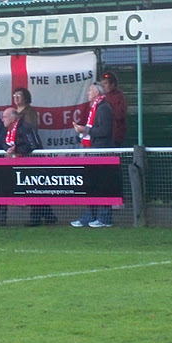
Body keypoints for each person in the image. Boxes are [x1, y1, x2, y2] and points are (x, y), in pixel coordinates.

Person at [71, 82, 114, 228]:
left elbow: (104, 131)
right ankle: (90, 216)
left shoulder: (103, 108)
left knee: (102, 185)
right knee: (93, 185)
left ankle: (104, 218)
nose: (88, 93)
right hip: (94, 151)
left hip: (102, 152)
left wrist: (85, 130)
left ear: (97, 92)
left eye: (90, 90)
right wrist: (82, 134)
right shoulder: (95, 108)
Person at [12, 87, 55, 225]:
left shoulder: (30, 112)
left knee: (34, 184)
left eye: (19, 95)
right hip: (20, 151)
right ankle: (48, 215)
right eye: (14, 95)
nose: (16, 98)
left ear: (26, 98)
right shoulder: (14, 112)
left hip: (30, 151)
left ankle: (35, 217)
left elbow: (31, 130)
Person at [101, 71, 128, 147]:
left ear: (113, 84)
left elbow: (120, 114)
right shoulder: (101, 96)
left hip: (115, 135)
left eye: (105, 84)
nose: (103, 86)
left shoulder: (119, 97)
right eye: (102, 84)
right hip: (102, 135)